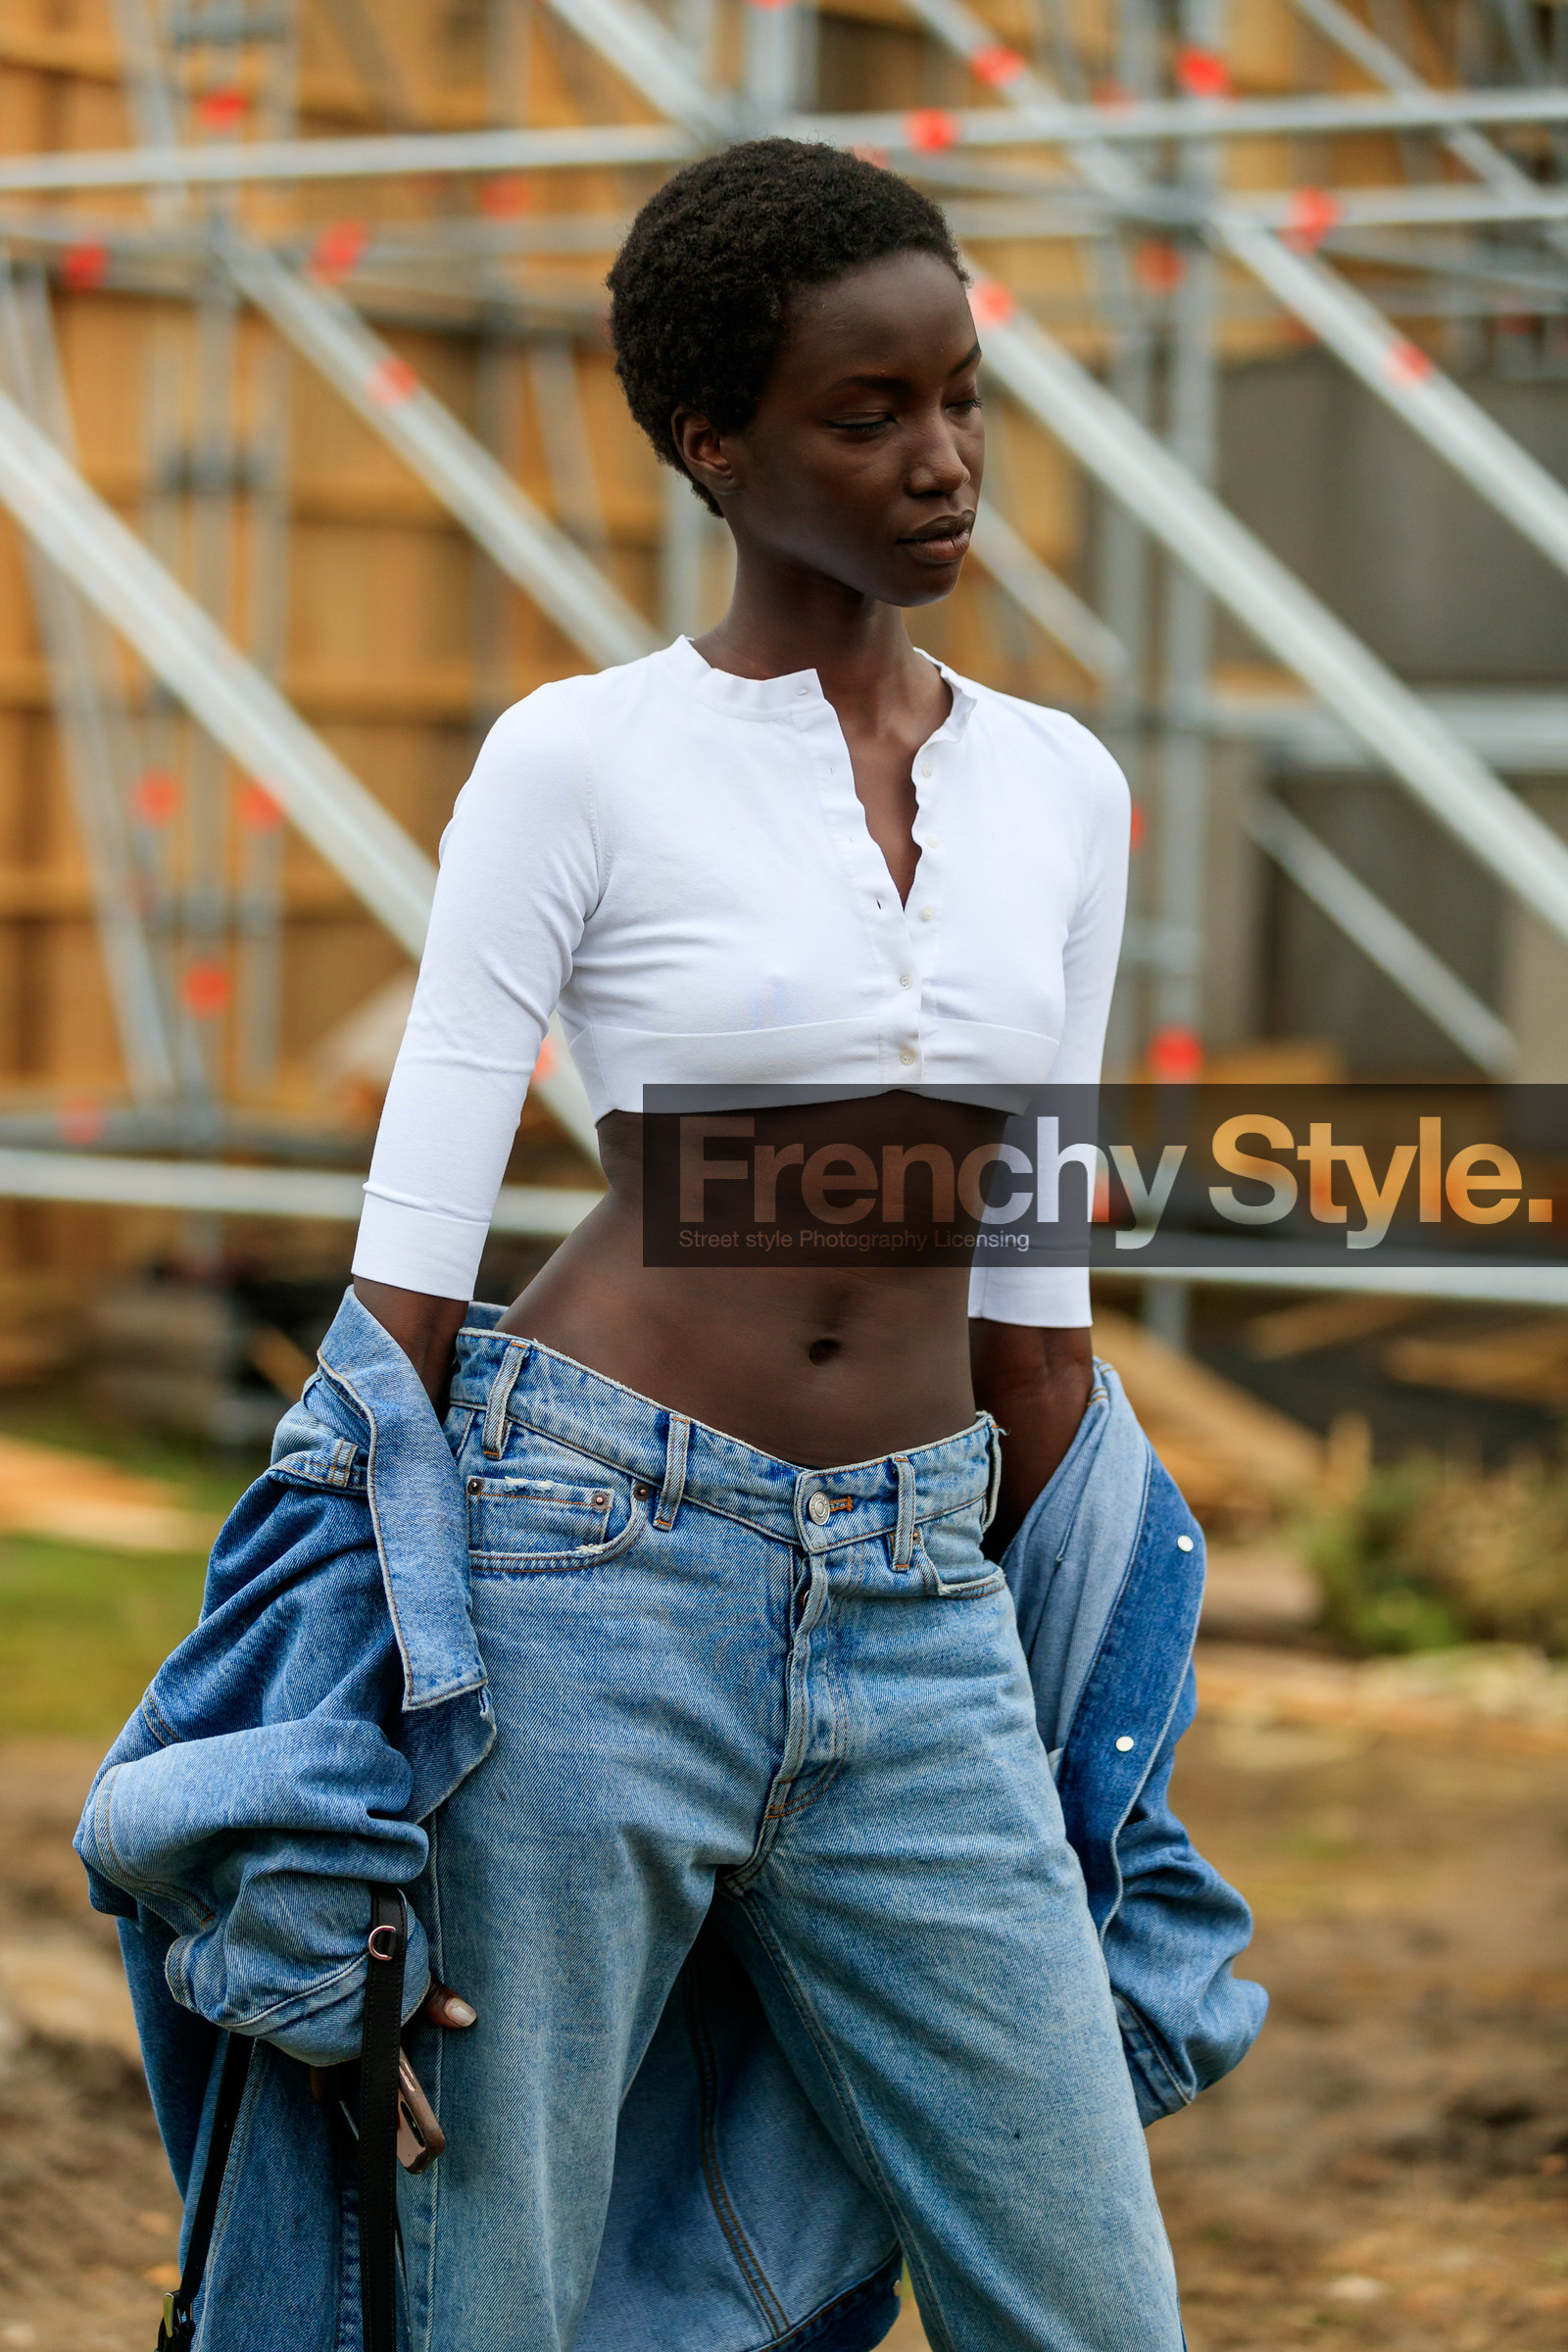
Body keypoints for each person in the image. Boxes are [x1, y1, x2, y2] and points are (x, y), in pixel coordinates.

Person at [347, 138, 1186, 2351]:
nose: (940, 460)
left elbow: (1034, 1284)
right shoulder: (576, 759)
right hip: (584, 1562)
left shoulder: (1066, 789)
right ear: (711, 443)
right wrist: (344, 1739)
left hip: (916, 1602)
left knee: (1081, 2285)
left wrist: (1092, 1666)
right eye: (866, 412)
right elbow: (413, 1244)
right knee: (484, 2269)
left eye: (961, 399)